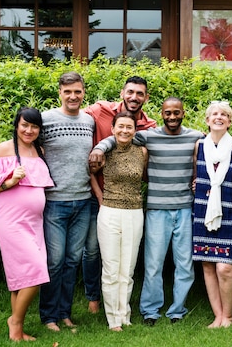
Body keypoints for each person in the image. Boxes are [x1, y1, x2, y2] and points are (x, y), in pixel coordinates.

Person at [92, 97, 203, 325]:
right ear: (160, 114)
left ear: (183, 113)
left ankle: (177, 310)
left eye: (176, 112)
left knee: (184, 264)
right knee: (153, 263)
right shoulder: (148, 136)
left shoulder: (196, 137)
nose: (172, 117)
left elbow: (220, 138)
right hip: (156, 208)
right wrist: (99, 147)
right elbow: (118, 138)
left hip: (185, 208)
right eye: (167, 113)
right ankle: (150, 310)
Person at [0, 107, 54, 341]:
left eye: (34, 126)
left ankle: (18, 331)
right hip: (11, 218)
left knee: (21, 275)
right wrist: (11, 180)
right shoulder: (4, 149)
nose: (29, 130)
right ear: (16, 125)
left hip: (34, 221)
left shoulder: (38, 150)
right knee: (38, 271)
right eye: (25, 125)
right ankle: (15, 322)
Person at [83, 76, 157, 314]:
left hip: (128, 204)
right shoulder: (99, 110)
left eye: (140, 94)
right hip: (99, 196)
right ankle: (94, 298)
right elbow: (72, 117)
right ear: (122, 92)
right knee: (94, 251)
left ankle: (120, 308)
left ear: (146, 97)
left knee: (125, 259)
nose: (134, 97)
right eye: (131, 92)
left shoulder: (149, 126)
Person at [38, 72, 96, 331]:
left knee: (73, 260)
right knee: (55, 260)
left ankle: (65, 313)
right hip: (54, 201)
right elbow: (26, 146)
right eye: (68, 91)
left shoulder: (89, 121)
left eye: (78, 91)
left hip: (83, 200)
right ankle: (49, 315)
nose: (73, 96)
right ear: (59, 92)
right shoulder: (46, 119)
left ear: (84, 92)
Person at [192, 101, 232, 328]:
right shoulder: (199, 146)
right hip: (203, 210)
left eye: (224, 115)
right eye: (214, 114)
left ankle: (228, 316)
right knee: (208, 265)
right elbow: (195, 174)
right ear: (207, 121)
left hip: (231, 210)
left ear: (229, 122)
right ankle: (217, 315)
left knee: (225, 267)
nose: (219, 117)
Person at [90, 112, 148, 331]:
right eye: (120, 127)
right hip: (110, 212)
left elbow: (146, 177)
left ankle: (125, 314)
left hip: (135, 212)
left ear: (135, 130)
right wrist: (100, 197)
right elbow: (91, 173)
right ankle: (112, 319)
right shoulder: (105, 152)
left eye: (129, 127)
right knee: (111, 267)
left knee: (128, 268)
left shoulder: (141, 152)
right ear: (113, 129)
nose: (125, 131)